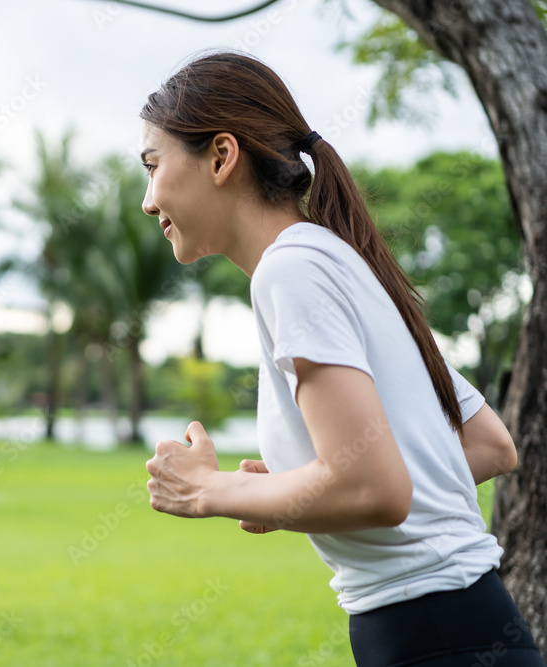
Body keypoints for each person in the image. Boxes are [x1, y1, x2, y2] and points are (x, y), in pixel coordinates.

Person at [138, 50, 545, 667]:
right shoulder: (339, 261)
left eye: (153, 165)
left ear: (221, 156)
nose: (148, 200)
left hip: (431, 634)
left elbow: (375, 489)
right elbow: (488, 444)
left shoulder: (291, 271)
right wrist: (297, 493)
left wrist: (208, 490)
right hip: (460, 623)